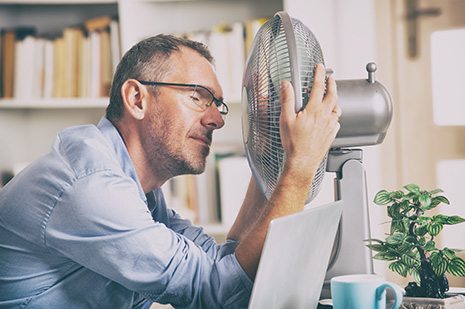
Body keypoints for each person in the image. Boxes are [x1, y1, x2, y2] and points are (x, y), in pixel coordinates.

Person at [0, 34, 340, 308]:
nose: (218, 119)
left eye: (218, 104)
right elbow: (217, 295)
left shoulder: (140, 191)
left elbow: (226, 264)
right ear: (136, 99)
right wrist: (299, 167)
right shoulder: (92, 186)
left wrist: (273, 153)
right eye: (197, 96)